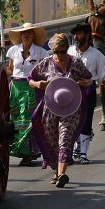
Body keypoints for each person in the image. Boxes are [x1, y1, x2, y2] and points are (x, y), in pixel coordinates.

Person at [28, 33, 91, 188]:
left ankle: (62, 174)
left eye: (63, 52)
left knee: (64, 138)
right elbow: (30, 78)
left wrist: (84, 83)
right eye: (56, 52)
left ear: (67, 50)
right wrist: (38, 84)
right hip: (50, 108)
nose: (60, 55)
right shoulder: (46, 63)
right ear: (52, 51)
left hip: (71, 108)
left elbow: (89, 78)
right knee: (52, 139)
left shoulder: (76, 63)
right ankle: (57, 171)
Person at [68, 23, 105, 164]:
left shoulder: (97, 55)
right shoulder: (69, 52)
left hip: (88, 91)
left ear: (87, 35)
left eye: (79, 33)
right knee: (71, 122)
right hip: (70, 92)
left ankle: (83, 154)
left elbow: (104, 77)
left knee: (86, 121)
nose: (76, 37)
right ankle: (76, 147)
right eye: (75, 34)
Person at [6, 22, 48, 166]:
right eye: (23, 33)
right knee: (14, 118)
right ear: (20, 35)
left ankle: (27, 153)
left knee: (27, 119)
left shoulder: (41, 52)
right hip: (15, 88)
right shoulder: (13, 50)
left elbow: (45, 72)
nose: (26, 34)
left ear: (33, 35)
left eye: (29, 32)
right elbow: (10, 69)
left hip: (31, 87)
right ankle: (16, 148)